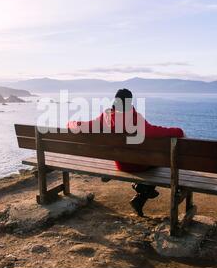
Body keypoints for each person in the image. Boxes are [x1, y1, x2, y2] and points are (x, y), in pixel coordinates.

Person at [67, 89, 185, 217]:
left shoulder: (105, 117)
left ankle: (142, 190)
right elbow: (154, 131)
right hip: (138, 165)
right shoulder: (135, 118)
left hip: (120, 164)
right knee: (161, 160)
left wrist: (70, 123)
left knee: (154, 160)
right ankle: (143, 189)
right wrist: (178, 131)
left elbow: (83, 126)